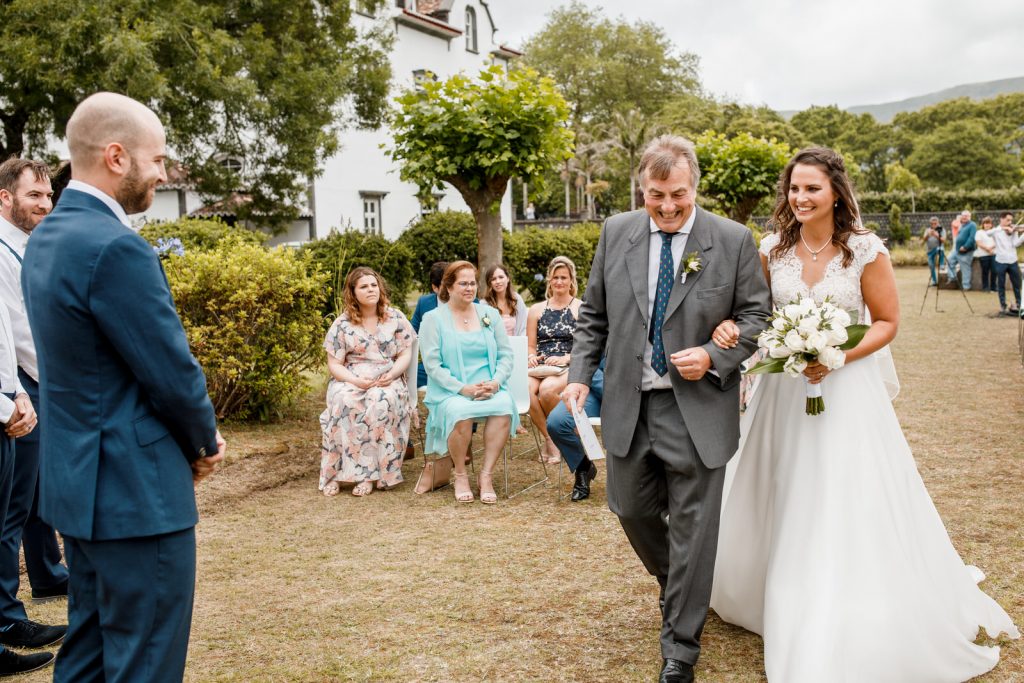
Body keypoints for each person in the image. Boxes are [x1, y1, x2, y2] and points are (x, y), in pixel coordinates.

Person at [709, 148, 1019, 682]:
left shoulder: (864, 251)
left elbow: (887, 322)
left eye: (811, 189)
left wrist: (834, 355)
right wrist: (743, 333)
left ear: (835, 192)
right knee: (781, 485)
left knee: (843, 490)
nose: (800, 198)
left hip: (846, 391)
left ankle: (843, 594)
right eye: (794, 189)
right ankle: (774, 586)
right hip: (784, 394)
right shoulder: (770, 251)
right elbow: (756, 314)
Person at [22, 92, 226, 682]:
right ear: (116, 156)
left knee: (86, 652)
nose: (162, 173)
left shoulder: (46, 238)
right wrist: (203, 442)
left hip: (78, 484)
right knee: (146, 660)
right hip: (137, 494)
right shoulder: (116, 247)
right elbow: (170, 370)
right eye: (157, 159)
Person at [562, 134, 771, 683]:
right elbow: (594, 317)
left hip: (699, 407)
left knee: (696, 527)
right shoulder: (616, 233)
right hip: (631, 404)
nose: (668, 206)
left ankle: (681, 645)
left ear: (693, 185)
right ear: (642, 188)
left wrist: (712, 354)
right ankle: (684, 590)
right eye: (656, 195)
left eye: (677, 194)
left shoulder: (731, 239)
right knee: (629, 509)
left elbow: (757, 317)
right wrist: (580, 377)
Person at [0, 159, 70, 652]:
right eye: (33, 196)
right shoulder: (4, 252)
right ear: (4, 197)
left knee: (37, 488)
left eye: (48, 196)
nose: (45, 205)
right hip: (21, 383)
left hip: (27, 381)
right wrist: (48, 381)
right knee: (14, 505)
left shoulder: (27, 244)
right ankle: (7, 617)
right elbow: (19, 330)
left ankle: (46, 571)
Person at [419, 261, 518, 504]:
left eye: (472, 283)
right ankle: (461, 475)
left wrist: (495, 383)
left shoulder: (489, 315)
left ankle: (486, 476)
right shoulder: (433, 319)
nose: (469, 288)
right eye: (463, 283)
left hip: (488, 388)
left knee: (504, 407)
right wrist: (463, 389)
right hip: (451, 390)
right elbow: (432, 365)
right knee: (460, 411)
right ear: (448, 287)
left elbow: (506, 355)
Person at [319, 267, 416, 497]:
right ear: (353, 292)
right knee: (343, 401)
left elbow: (405, 355)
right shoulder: (342, 324)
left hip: (387, 377)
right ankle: (335, 473)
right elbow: (334, 364)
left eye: (373, 285)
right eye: (364, 286)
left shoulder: (395, 317)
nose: (370, 289)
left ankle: (370, 476)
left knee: (379, 402)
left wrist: (392, 375)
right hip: (352, 377)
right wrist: (354, 380)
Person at [527, 256, 582, 465]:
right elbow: (531, 345)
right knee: (524, 390)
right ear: (549, 280)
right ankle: (551, 439)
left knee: (547, 390)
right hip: (541, 364)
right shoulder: (536, 310)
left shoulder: (580, 308)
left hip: (568, 362)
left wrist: (566, 358)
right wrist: (531, 356)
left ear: (571, 280)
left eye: (564, 278)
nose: (559, 282)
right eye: (555, 277)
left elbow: (586, 346)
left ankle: (569, 433)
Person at [546, 359, 603, 501]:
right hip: (592, 387)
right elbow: (585, 356)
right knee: (557, 422)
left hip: (634, 391)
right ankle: (583, 467)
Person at [410, 261, 449, 389]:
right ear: (435, 288)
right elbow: (411, 333)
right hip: (433, 364)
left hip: (461, 363)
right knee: (408, 374)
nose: (452, 287)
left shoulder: (471, 302)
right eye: (446, 284)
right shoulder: (424, 303)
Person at [992, 211, 1024, 314]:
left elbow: (1016, 243)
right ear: (1002, 219)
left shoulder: (1013, 230)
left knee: (1017, 284)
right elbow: (987, 233)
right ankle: (1003, 305)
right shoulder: (996, 231)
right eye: (1008, 220)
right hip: (1000, 261)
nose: (1010, 222)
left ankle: (1019, 304)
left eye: (1011, 220)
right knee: (1001, 285)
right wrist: (1003, 228)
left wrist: (1022, 235)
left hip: (1013, 261)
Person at [482, 264, 527, 336]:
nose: (498, 281)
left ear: (508, 278)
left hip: (517, 344)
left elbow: (524, 327)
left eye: (501, 277)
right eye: (493, 279)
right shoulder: (484, 304)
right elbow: (485, 331)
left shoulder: (517, 299)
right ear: (490, 283)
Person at [947, 210, 977, 288]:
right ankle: (952, 277)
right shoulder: (961, 225)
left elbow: (972, 238)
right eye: (963, 215)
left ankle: (966, 286)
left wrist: (965, 247)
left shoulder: (972, 225)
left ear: (970, 217)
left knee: (965, 269)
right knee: (949, 260)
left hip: (966, 251)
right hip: (957, 250)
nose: (964, 217)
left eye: (966, 216)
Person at [921, 216, 945, 286]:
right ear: (930, 224)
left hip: (938, 248)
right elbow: (923, 240)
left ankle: (941, 264)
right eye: (932, 224)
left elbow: (943, 240)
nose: (934, 225)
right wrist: (928, 235)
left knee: (941, 250)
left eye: (935, 223)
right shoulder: (927, 230)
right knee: (931, 265)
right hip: (930, 250)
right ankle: (934, 281)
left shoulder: (941, 230)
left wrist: (936, 235)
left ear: (938, 223)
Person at [975, 216, 996, 292]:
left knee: (994, 271)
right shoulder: (979, 232)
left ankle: (993, 287)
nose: (987, 225)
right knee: (985, 271)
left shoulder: (995, 232)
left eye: (988, 223)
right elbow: (979, 243)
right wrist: (988, 249)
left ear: (991, 224)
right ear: (983, 224)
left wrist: (991, 249)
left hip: (993, 254)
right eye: (985, 223)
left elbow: (997, 242)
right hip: (983, 255)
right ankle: (985, 287)